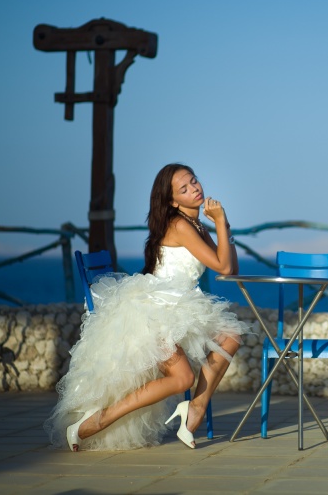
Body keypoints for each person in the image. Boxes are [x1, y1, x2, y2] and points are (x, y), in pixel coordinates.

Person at [44, 163, 250, 451]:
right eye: (184, 188)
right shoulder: (179, 225)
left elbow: (230, 268)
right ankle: (96, 421)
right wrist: (220, 219)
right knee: (183, 378)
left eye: (194, 181)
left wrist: (223, 227)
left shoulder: (195, 225)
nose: (194, 189)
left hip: (179, 307)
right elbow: (225, 267)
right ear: (172, 201)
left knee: (231, 335)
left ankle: (196, 408)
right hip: (154, 311)